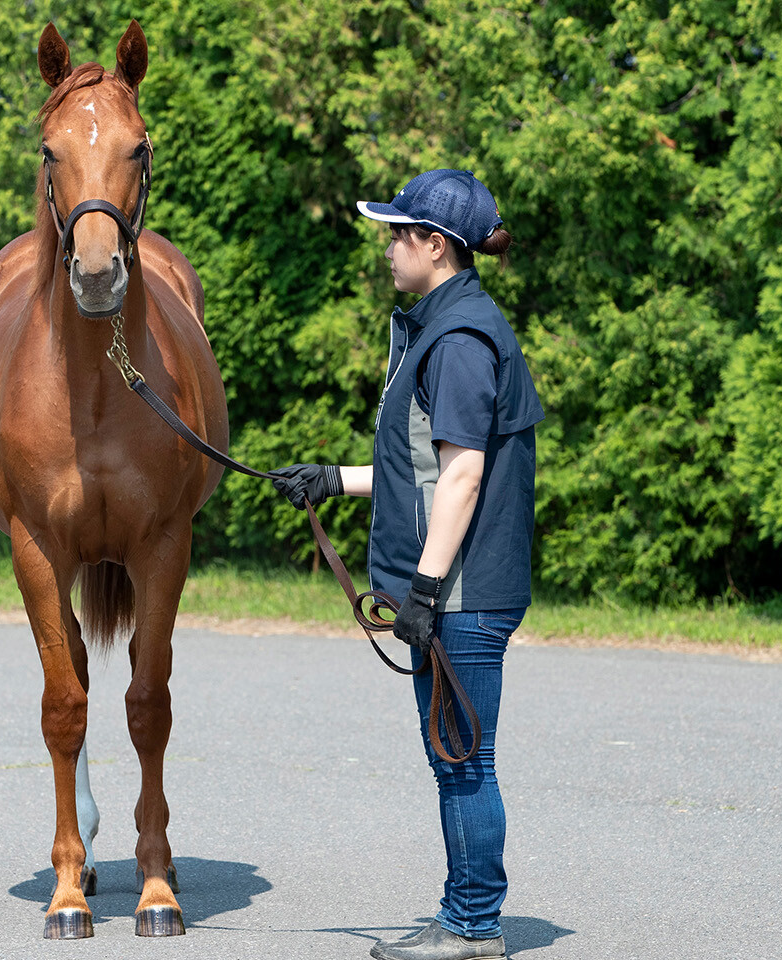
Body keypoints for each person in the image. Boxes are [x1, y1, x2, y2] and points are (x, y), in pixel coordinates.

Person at [272, 169, 544, 960]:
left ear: (437, 245)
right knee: (456, 758)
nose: (389, 248)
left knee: (463, 760)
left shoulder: (459, 341)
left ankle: (471, 926)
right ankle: (465, 917)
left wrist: (423, 591)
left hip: (461, 595)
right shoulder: (445, 326)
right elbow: (424, 466)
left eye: (399, 234)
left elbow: (463, 476)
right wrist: (333, 480)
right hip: (456, 588)